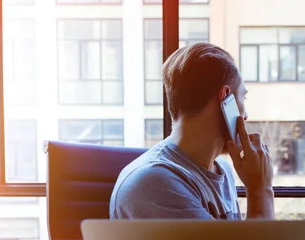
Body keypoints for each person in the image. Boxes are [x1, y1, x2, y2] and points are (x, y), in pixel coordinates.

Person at [109, 42, 274, 220]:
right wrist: (260, 189)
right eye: (244, 97)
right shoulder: (156, 183)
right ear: (225, 98)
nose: (246, 114)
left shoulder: (222, 170)